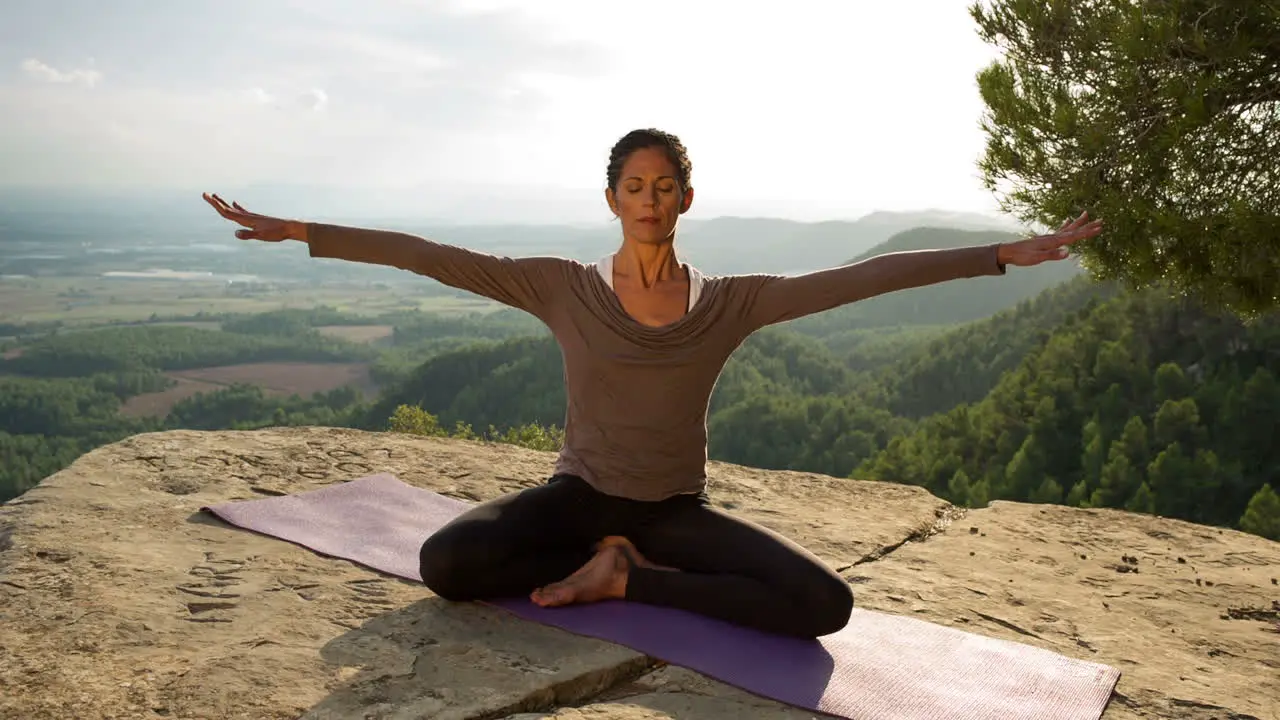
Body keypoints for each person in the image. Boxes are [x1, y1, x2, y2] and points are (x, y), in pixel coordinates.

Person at [203, 128, 1102, 638]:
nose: (648, 199)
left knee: (826, 605)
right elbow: (432, 257)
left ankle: (629, 580)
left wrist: (1000, 254)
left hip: (674, 512)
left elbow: (862, 278)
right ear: (612, 199)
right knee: (444, 563)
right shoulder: (563, 286)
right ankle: (601, 560)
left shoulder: (733, 302)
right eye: (633, 185)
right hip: (576, 496)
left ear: (683, 201)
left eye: (664, 186)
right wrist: (304, 230)